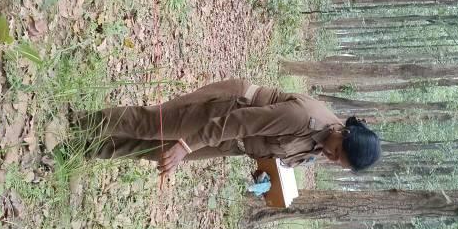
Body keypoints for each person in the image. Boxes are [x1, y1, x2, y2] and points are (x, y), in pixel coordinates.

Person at [68, 78, 381, 180]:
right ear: (344, 133)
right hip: (229, 110)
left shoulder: (321, 144)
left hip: (233, 142)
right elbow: (240, 122)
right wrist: (186, 145)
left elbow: (274, 148)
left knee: (156, 151)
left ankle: (79, 148)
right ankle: (76, 124)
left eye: (336, 162)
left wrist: (265, 173)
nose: (330, 157)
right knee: (152, 125)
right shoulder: (303, 117)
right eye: (336, 152)